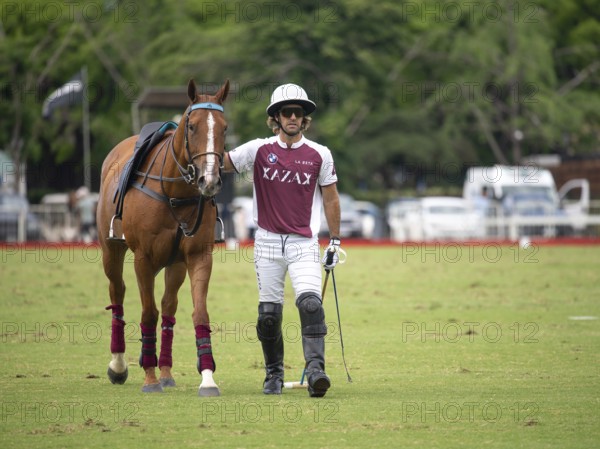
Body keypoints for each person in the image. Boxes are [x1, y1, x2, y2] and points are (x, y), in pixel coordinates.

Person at [223, 83, 343, 397]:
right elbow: (219, 163)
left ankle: (316, 371)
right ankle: (273, 375)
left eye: (298, 113)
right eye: (286, 112)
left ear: (305, 119)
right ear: (276, 117)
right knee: (268, 316)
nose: (292, 117)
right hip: (267, 243)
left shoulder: (321, 154)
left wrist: (335, 241)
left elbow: (331, 200)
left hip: (304, 243)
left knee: (310, 304)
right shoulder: (257, 150)